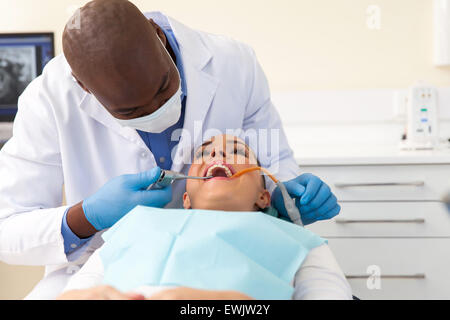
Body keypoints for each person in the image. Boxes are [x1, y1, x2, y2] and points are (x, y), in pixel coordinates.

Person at [0, 0, 340, 299]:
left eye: (164, 88)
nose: (157, 110)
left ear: (160, 38)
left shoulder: (234, 64)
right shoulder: (48, 99)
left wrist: (286, 201)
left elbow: (276, 166)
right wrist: (86, 216)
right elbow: (8, 228)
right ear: (83, 88)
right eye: (131, 112)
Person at [58, 135, 352, 300]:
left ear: (264, 196)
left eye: (237, 152)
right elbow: (75, 295)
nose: (218, 155)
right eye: (204, 153)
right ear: (185, 198)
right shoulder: (132, 227)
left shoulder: (301, 243)